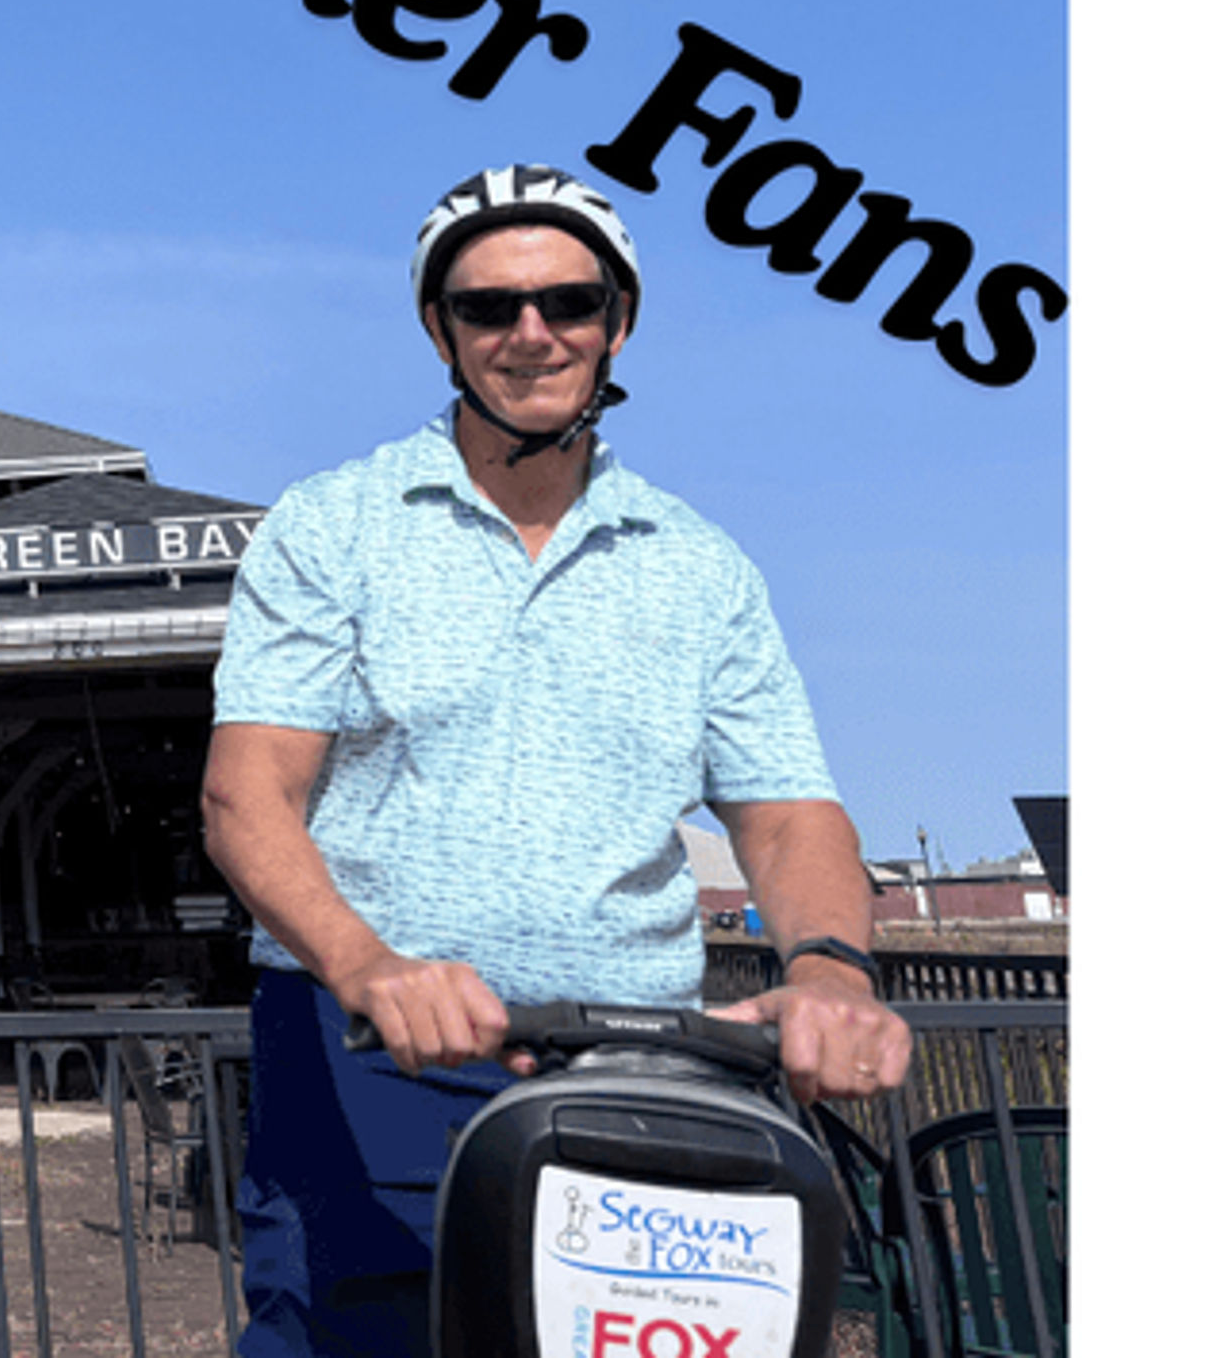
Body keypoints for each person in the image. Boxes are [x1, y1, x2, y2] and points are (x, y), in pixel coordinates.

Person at [199, 165, 911, 1358]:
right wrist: (370, 964)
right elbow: (246, 793)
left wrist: (833, 968)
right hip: (374, 1055)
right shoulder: (333, 521)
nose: (532, 333)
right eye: (489, 307)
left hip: (648, 1062)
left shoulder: (698, 562)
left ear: (617, 321)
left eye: (569, 301)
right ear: (440, 329)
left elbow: (787, 814)